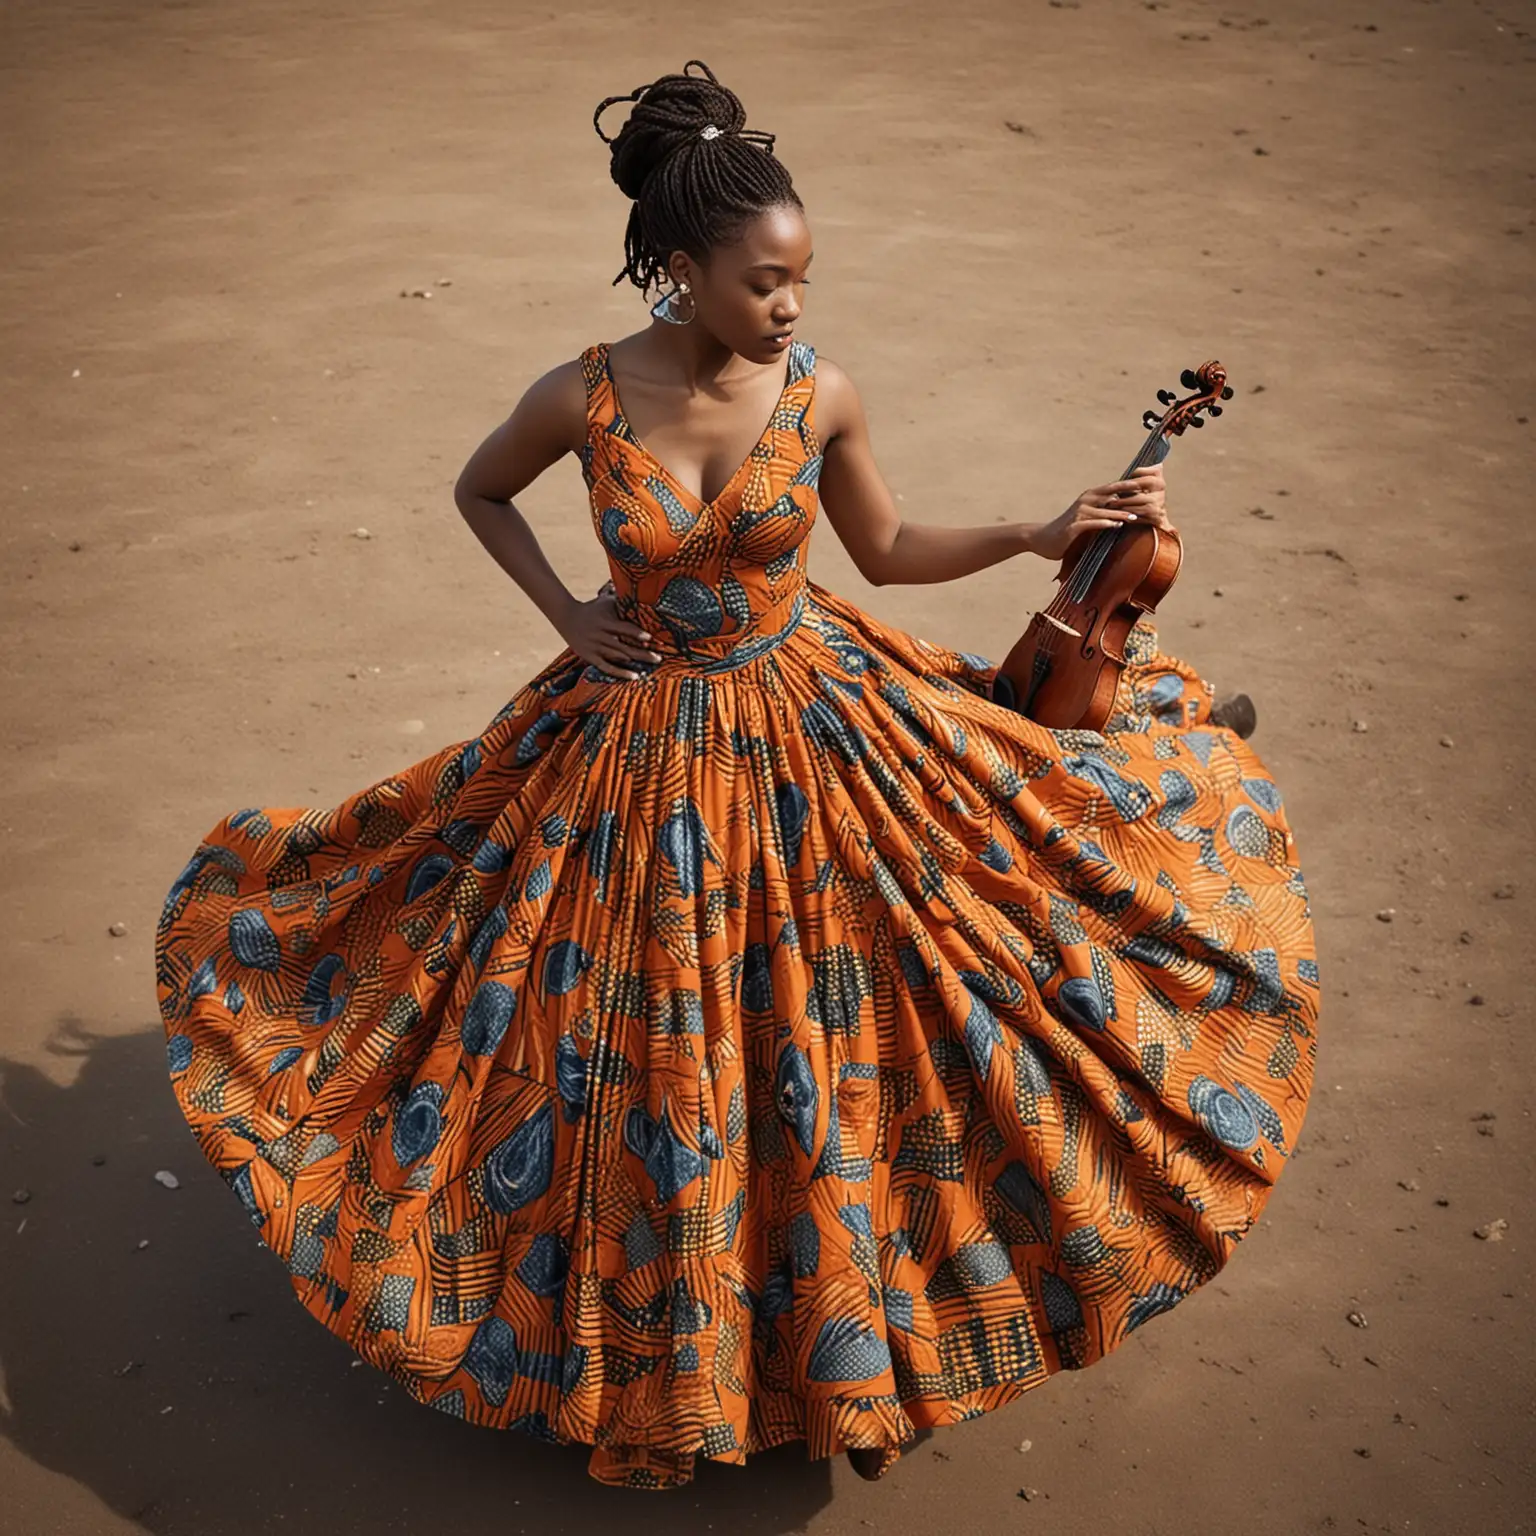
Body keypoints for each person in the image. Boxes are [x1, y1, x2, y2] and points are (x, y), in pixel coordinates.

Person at [153, 59, 1320, 1491]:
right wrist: (566, 614)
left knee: (854, 1028)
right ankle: (676, 1365)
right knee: (619, 1059)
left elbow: (885, 555)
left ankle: (851, 1357)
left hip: (811, 728)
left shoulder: (821, 394)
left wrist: (1033, 530)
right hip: (625, 748)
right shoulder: (581, 395)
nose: (791, 305)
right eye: (765, 281)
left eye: (802, 278)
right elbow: (478, 490)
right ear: (683, 268)